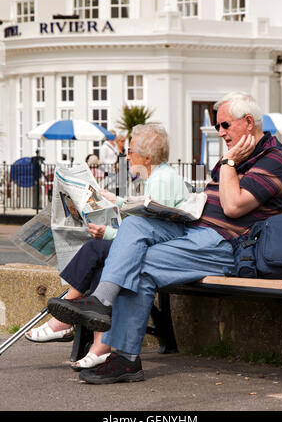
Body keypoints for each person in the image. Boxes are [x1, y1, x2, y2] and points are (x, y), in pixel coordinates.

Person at [47, 91, 282, 385]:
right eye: (218, 126)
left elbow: (233, 206)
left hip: (227, 244)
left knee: (140, 264)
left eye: (225, 125)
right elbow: (214, 199)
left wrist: (228, 163)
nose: (220, 132)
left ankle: (125, 359)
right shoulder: (238, 156)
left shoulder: (274, 159)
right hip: (196, 229)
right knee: (136, 224)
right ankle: (101, 301)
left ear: (249, 121)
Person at [27, 124, 189, 370]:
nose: (127, 155)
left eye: (131, 150)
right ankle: (99, 345)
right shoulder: (160, 176)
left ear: (147, 157)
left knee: (96, 250)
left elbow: (152, 232)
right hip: (150, 247)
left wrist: (109, 232)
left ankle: (66, 320)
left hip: (158, 253)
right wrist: (119, 202)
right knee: (101, 258)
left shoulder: (162, 180)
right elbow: (149, 218)